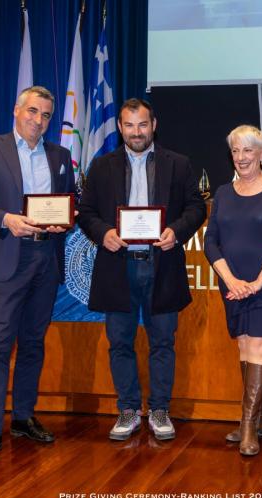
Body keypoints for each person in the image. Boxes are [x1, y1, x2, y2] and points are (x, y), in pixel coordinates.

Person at [0, 86, 75, 466]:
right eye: (32, 111)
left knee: (33, 343)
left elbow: (69, 203)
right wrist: (6, 219)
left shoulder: (61, 156)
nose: (38, 120)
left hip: (46, 258)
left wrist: (64, 222)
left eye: (45, 115)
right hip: (7, 256)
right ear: (16, 110)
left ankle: (23, 417)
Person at [76, 98, 206, 442]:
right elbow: (86, 212)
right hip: (117, 268)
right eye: (130, 125)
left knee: (163, 342)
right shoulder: (101, 166)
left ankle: (160, 409)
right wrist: (103, 233)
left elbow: (196, 207)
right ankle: (128, 410)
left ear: (154, 125)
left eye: (143, 124)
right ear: (120, 127)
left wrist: (176, 230)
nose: (137, 132)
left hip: (161, 266)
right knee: (120, 342)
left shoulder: (178, 164)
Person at [204, 125, 262, 456]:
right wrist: (230, 279)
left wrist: (257, 283)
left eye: (247, 150)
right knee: (244, 345)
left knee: (257, 344)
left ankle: (247, 428)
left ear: (261, 153)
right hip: (232, 284)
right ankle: (260, 419)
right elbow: (211, 241)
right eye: (235, 151)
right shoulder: (223, 192)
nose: (241, 157)